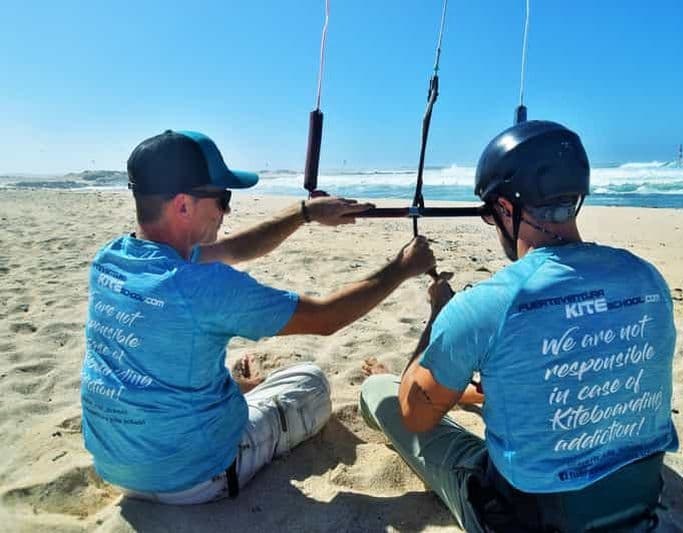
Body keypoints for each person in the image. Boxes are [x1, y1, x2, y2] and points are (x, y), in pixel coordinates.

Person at [81, 129, 436, 504]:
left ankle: (225, 394)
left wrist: (305, 214)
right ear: (183, 205)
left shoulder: (112, 259)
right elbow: (326, 318)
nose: (227, 210)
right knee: (311, 381)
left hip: (116, 465)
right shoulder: (204, 286)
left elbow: (235, 248)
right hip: (195, 476)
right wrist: (402, 268)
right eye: (222, 198)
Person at [360, 120, 679, 532]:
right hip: (635, 504)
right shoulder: (647, 279)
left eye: (492, 216)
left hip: (525, 518)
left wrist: (440, 312)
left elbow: (414, 415)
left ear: (507, 209)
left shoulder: (487, 304)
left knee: (381, 392)